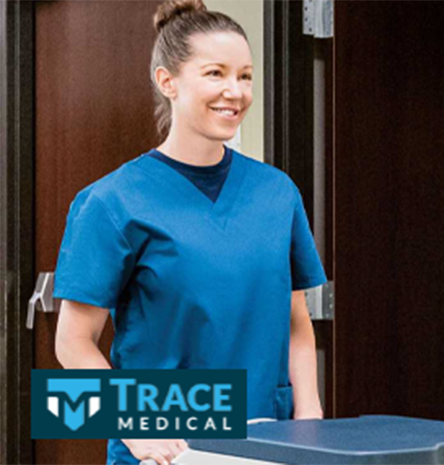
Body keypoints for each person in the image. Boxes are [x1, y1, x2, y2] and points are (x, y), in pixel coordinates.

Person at [52, 1, 327, 464]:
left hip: (270, 440)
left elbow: (297, 321)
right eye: (215, 73)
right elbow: (72, 343)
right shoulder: (112, 202)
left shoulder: (277, 194)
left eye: (245, 76)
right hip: (166, 449)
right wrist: (135, 427)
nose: (235, 91)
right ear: (168, 81)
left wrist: (311, 417)